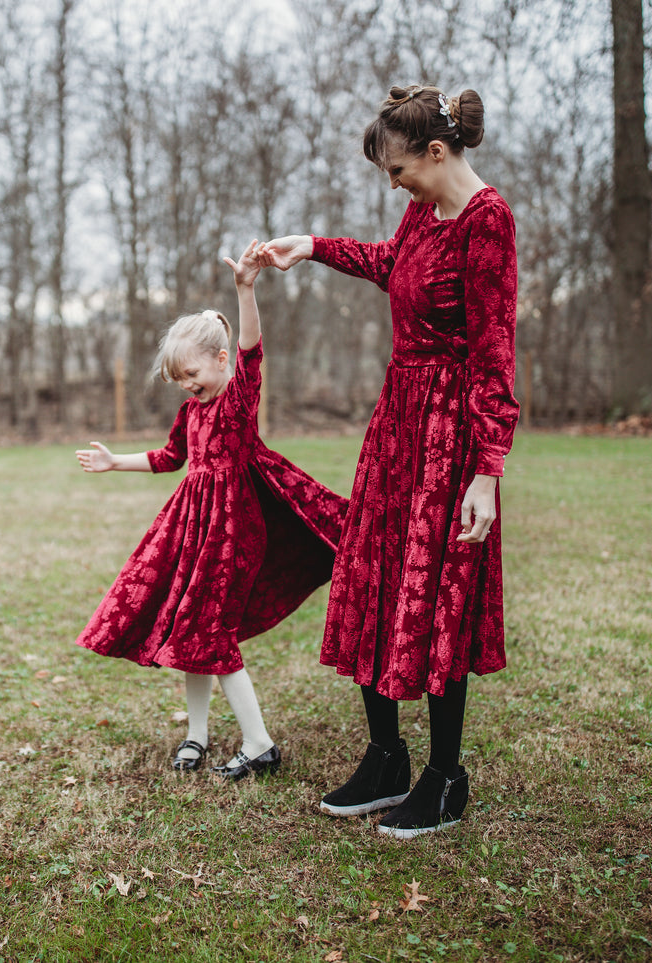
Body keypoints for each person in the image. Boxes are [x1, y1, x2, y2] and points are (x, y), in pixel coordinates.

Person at [259, 85, 518, 837]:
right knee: (370, 573)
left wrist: (485, 469)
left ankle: (445, 777)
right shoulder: (420, 211)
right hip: (396, 423)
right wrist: (310, 247)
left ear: (437, 153)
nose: (393, 183)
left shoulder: (487, 220)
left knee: (436, 592)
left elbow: (494, 350)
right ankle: (385, 757)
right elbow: (390, 262)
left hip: (450, 436)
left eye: (399, 170)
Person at [75, 241, 349, 780]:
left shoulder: (237, 396)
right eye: (177, 379)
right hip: (192, 530)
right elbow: (169, 458)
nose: (185, 386)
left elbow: (252, 348)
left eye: (191, 374)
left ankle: (258, 743)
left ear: (220, 361)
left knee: (209, 631)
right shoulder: (192, 411)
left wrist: (245, 287)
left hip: (234, 529)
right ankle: (197, 736)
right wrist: (115, 462)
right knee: (189, 627)